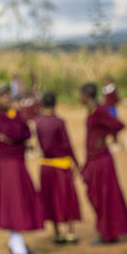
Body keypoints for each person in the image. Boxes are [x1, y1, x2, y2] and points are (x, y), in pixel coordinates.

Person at [0, 86, 43, 254]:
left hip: (17, 162)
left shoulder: (12, 113)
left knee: (17, 201)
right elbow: (14, 132)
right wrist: (15, 128)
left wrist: (15, 126)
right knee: (14, 202)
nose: (7, 99)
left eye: (8, 95)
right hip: (8, 164)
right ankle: (18, 247)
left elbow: (26, 133)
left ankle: (15, 243)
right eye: (3, 96)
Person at [79, 83, 127, 245]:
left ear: (86, 95)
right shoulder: (92, 111)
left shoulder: (100, 111)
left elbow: (119, 125)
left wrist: (104, 136)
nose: (79, 98)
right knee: (96, 195)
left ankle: (108, 233)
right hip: (93, 159)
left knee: (105, 196)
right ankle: (106, 230)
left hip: (102, 160)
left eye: (81, 95)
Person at [35, 92, 81, 244]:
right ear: (55, 103)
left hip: (46, 165)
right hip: (61, 165)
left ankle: (57, 233)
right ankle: (70, 233)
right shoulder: (59, 121)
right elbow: (67, 144)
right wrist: (77, 163)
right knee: (67, 197)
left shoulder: (38, 121)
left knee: (50, 197)